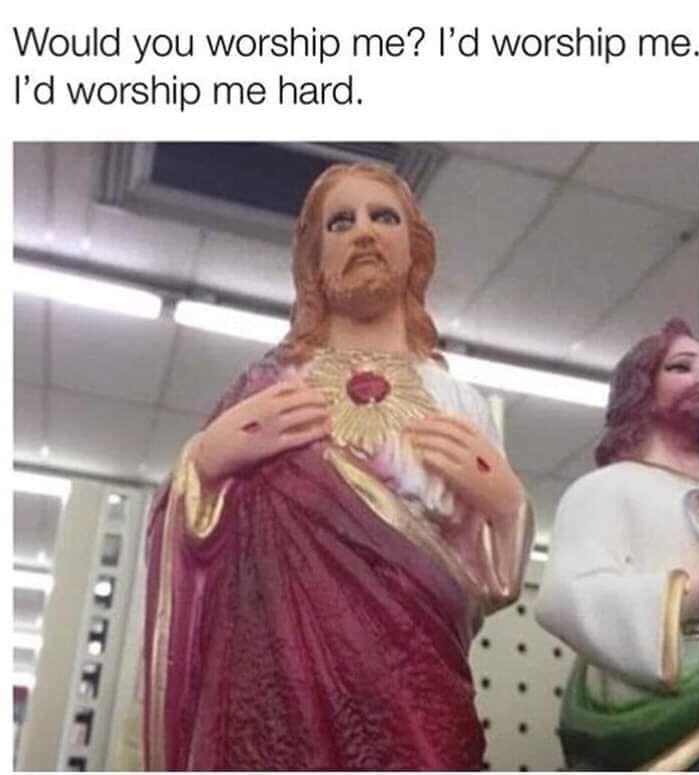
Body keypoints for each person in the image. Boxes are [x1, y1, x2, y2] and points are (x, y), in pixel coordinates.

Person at [143, 162, 533, 771]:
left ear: (414, 249)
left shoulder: (459, 402)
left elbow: (486, 586)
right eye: (341, 222)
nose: (364, 232)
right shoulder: (266, 388)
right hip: (275, 695)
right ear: (315, 261)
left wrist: (508, 509)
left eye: (384, 217)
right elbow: (188, 545)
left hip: (417, 692)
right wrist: (207, 460)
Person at [535, 318, 699, 771]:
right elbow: (564, 596)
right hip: (663, 705)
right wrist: (686, 592)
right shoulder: (606, 490)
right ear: (641, 389)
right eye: (682, 367)